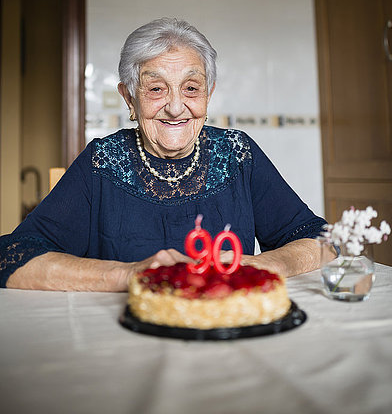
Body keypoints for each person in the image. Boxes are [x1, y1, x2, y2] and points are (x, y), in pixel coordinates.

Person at [0, 18, 326, 291]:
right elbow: (11, 256)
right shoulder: (101, 161)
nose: (174, 107)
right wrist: (128, 275)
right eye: (156, 89)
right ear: (129, 98)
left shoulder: (238, 154)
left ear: (208, 94)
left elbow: (321, 239)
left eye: (191, 88)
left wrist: (249, 266)